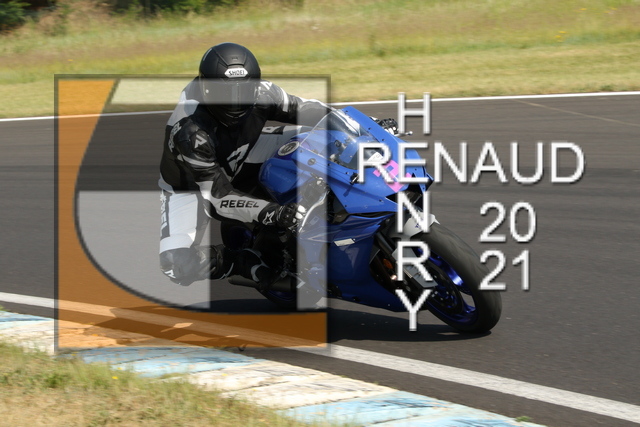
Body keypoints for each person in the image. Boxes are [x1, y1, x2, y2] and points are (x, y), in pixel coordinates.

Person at [158, 42, 332, 288]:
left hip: (245, 150)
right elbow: (218, 197)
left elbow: (307, 109)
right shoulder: (190, 130)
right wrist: (273, 212)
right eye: (226, 93)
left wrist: (363, 125)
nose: (237, 102)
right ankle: (242, 262)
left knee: (323, 137)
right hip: (192, 188)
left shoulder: (264, 92)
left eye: (245, 91)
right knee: (176, 265)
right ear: (206, 88)